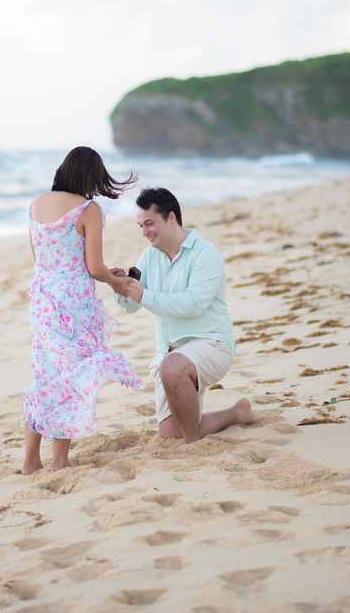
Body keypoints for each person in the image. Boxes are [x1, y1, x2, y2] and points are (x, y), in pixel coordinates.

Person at [22, 146, 141, 475]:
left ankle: (31, 461)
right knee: (71, 377)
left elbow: (42, 261)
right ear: (89, 177)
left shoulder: (36, 204)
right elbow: (93, 267)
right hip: (75, 306)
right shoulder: (87, 210)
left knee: (44, 377)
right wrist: (115, 282)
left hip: (43, 302)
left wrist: (105, 274)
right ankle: (59, 461)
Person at [113, 187, 255, 443]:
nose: (144, 232)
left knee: (173, 366)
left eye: (149, 223)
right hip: (171, 353)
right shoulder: (148, 257)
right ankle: (236, 413)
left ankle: (193, 446)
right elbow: (130, 306)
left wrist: (145, 296)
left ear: (170, 217)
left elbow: (194, 304)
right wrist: (119, 286)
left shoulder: (205, 253)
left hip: (211, 344)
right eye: (140, 226)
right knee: (171, 435)